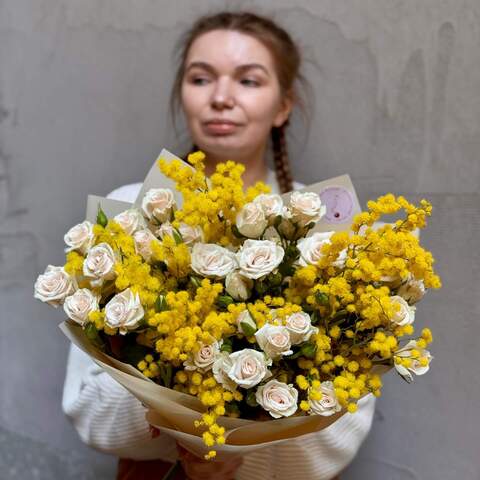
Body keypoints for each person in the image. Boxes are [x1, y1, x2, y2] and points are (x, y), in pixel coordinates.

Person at [62, 10, 376, 480]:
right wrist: (172, 425)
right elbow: (85, 407)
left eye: (248, 81)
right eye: (201, 78)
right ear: (182, 92)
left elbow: (346, 426)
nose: (221, 98)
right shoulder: (130, 213)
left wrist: (242, 454)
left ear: (283, 105)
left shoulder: (326, 232)